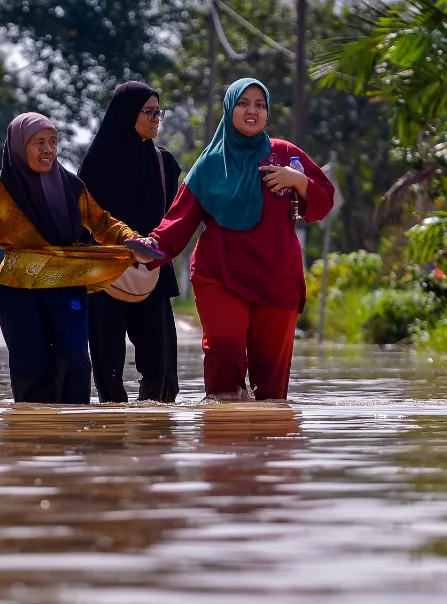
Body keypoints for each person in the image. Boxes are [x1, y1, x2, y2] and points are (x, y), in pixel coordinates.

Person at [141, 78, 335, 401]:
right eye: (244, 103)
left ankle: (264, 445)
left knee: (270, 382)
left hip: (277, 278)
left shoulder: (285, 154)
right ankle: (222, 434)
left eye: (260, 105)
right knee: (224, 348)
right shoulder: (210, 163)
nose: (252, 111)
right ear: (230, 109)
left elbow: (325, 200)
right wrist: (150, 246)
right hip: (220, 274)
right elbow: (179, 219)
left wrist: (298, 180)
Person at [0, 112, 151, 404]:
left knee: (74, 358)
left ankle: (73, 433)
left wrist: (132, 238)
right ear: (19, 147)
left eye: (53, 142)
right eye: (39, 143)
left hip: (67, 284)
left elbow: (103, 224)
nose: (48, 150)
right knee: (30, 366)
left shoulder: (73, 187)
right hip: (18, 291)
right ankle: (34, 436)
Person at [78, 82, 183, 404]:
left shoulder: (164, 164)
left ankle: (155, 434)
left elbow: (172, 217)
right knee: (108, 368)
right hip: (105, 275)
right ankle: (112, 434)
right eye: (148, 112)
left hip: (152, 271)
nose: (156, 120)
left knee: (161, 367)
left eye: (158, 112)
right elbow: (84, 221)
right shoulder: (97, 166)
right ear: (127, 115)